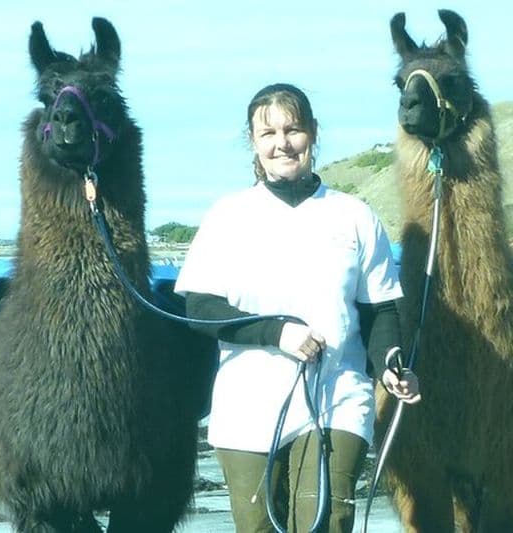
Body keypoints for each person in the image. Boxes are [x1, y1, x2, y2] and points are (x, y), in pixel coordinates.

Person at [174, 82, 420, 532]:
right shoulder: (227, 216)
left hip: (337, 396)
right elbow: (200, 308)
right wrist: (277, 332)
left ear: (313, 133)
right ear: (253, 141)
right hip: (246, 405)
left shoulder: (355, 216)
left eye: (293, 130)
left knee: (326, 521)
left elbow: (380, 311)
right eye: (268, 133)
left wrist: (390, 363)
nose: (282, 143)